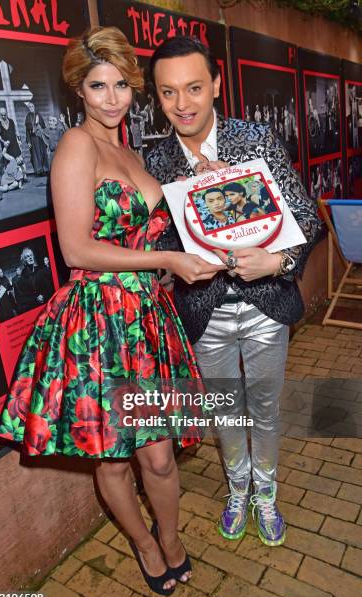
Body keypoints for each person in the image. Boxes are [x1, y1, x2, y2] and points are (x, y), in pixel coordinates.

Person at [0, 26, 224, 595]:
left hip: (147, 317)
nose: (112, 97)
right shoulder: (76, 146)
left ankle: (169, 538)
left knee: (161, 459)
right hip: (100, 322)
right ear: (79, 89)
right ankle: (146, 545)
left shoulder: (132, 151)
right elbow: (76, 249)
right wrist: (166, 257)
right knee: (116, 460)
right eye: (99, 85)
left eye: (122, 84)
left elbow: (154, 231)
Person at [145, 35, 321, 547]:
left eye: (195, 88)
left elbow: (306, 216)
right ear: (157, 97)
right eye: (169, 92)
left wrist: (277, 260)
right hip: (203, 313)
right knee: (226, 411)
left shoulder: (254, 140)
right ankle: (237, 488)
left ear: (217, 85)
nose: (183, 104)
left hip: (265, 306)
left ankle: (266, 493)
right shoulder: (156, 163)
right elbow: (156, 247)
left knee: (263, 409)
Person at [25, 102, 49, 176]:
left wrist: (44, 135)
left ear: (34, 106)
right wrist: (28, 141)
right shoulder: (28, 116)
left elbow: (43, 126)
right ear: (28, 108)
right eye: (29, 106)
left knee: (43, 153)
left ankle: (45, 169)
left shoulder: (39, 115)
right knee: (35, 155)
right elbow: (27, 131)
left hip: (40, 138)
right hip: (33, 139)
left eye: (32, 106)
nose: (31, 107)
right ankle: (39, 171)